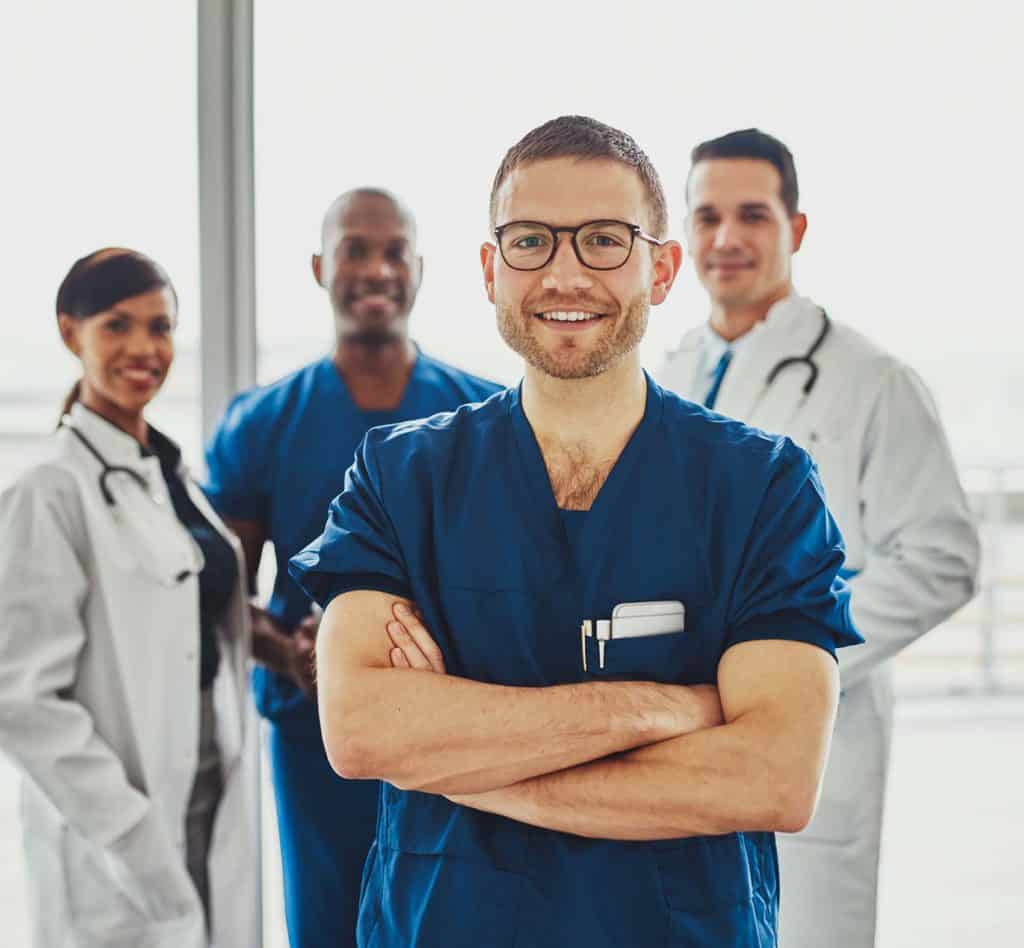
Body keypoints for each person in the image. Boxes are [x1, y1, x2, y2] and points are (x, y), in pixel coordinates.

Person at [289, 116, 863, 947]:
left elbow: (773, 776)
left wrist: (462, 767)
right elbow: (362, 731)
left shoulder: (761, 488)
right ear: (490, 269)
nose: (564, 273)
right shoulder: (400, 477)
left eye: (603, 240)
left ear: (661, 269)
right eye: (529, 241)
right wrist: (659, 710)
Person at [656, 128, 981, 948]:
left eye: (753, 215)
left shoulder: (872, 381)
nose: (727, 239)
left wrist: (792, 657)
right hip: (676, 731)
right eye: (707, 216)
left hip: (811, 738)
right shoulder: (668, 372)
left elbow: (941, 558)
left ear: (796, 230)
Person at [203, 188, 501, 948]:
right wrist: (288, 651)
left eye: (394, 250)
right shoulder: (264, 423)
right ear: (319, 268)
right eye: (355, 250)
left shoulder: (486, 418)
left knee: (448, 924)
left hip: (450, 734)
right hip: (315, 739)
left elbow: (515, 583)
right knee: (329, 927)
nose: (377, 268)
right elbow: (223, 593)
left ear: (421, 269)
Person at [0, 249, 259, 947]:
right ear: (69, 332)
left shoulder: (167, 478)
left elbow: (190, 617)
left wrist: (285, 647)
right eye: (117, 326)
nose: (144, 349)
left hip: (211, 792)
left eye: (161, 327)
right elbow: (22, 699)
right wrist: (129, 829)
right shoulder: (50, 491)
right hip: (119, 825)